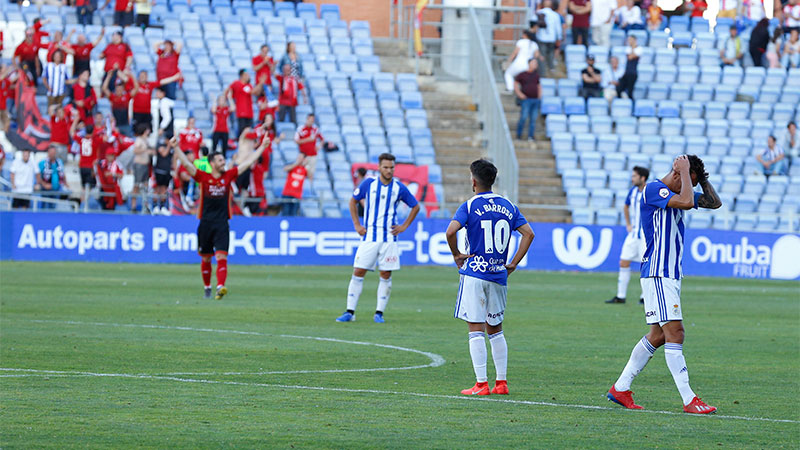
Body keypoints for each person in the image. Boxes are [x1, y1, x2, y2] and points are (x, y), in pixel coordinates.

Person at [607, 155, 722, 415]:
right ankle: (689, 399)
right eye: (689, 182)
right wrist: (683, 172)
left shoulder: (681, 192)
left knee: (658, 335)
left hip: (668, 274)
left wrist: (700, 178)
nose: (690, 189)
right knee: (676, 333)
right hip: (659, 272)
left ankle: (621, 388)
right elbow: (686, 200)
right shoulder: (654, 189)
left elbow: (714, 203)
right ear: (678, 174)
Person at [444, 159, 535, 396]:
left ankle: (481, 384)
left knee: (475, 328)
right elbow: (528, 234)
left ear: (474, 181)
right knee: (496, 328)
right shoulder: (509, 206)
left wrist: (456, 254)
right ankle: (501, 383)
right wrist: (513, 262)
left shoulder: (470, 205)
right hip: (498, 274)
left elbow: (450, 231)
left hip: (475, 273)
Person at [172, 136, 272, 300]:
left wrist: (262, 147)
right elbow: (188, 166)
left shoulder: (228, 176)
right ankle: (207, 287)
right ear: (212, 163)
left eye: (223, 159)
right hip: (205, 223)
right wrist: (176, 148)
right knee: (206, 258)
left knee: (221, 256)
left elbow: (246, 164)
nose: (223, 162)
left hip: (222, 223)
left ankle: (220, 287)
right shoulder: (203, 177)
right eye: (220, 160)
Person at [335, 153, 421, 324]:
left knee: (385, 274)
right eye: (386, 167)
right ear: (379, 167)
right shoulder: (369, 184)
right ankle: (350, 312)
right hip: (370, 236)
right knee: (358, 271)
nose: (389, 170)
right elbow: (353, 201)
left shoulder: (399, 188)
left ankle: (379, 313)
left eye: (391, 167)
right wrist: (357, 225)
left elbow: (415, 206)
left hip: (389, 238)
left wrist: (404, 227)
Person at [605, 167, 649, 304]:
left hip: (646, 236)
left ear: (642, 178)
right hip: (633, 234)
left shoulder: (650, 192)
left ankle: (645, 297)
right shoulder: (633, 191)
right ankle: (621, 296)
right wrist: (628, 224)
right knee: (623, 262)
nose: (632, 178)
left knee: (646, 265)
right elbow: (625, 206)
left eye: (635, 176)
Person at [227, 69, 262, 138]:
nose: (248, 76)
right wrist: (231, 101)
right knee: (242, 132)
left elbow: (256, 93)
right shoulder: (236, 83)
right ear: (242, 76)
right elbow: (228, 91)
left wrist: (261, 85)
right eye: (246, 75)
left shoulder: (249, 85)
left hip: (249, 112)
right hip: (241, 112)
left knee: (250, 131)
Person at [514, 58, 542, 141]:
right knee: (523, 117)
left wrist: (539, 96)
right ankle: (519, 135)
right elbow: (515, 84)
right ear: (529, 63)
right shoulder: (522, 74)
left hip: (535, 100)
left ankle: (530, 136)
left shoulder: (536, 75)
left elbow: (538, 85)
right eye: (533, 63)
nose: (535, 65)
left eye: (536, 63)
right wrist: (519, 94)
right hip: (526, 100)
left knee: (533, 119)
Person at [36, 144, 69, 208]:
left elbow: (62, 173)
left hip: (56, 189)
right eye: (51, 152)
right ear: (48, 153)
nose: (52, 154)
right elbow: (38, 175)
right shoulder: (42, 163)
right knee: (45, 206)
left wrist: (66, 183)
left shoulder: (59, 162)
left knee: (54, 207)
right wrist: (44, 184)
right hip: (46, 190)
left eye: (54, 152)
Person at [536, 0, 562, 77]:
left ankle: (544, 73)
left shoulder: (539, 12)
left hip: (542, 38)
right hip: (550, 38)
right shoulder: (555, 15)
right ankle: (550, 70)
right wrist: (559, 38)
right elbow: (558, 29)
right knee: (549, 55)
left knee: (542, 56)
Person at [102, 69, 133, 136]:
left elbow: (136, 88)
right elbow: (104, 88)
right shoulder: (113, 97)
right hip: (116, 125)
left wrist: (131, 76)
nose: (119, 90)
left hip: (125, 125)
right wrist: (108, 77)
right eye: (117, 89)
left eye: (120, 89)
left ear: (123, 89)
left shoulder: (126, 97)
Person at [294, 113, 324, 180]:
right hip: (303, 155)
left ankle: (310, 188)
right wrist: (307, 140)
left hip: (313, 155)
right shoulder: (300, 129)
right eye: (310, 120)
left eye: (312, 120)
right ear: (307, 119)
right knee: (301, 173)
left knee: (311, 174)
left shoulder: (315, 129)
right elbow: (296, 141)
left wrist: (319, 147)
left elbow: (322, 139)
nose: (311, 122)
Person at [71, 118, 97, 190]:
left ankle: (83, 200)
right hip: (90, 167)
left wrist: (75, 120)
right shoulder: (95, 141)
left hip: (82, 166)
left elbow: (72, 132)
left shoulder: (81, 140)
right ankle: (87, 201)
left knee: (83, 188)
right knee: (90, 188)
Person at [131, 123, 152, 212]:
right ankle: (133, 205)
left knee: (145, 185)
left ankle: (145, 204)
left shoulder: (146, 140)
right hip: (139, 164)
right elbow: (135, 150)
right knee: (137, 184)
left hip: (145, 165)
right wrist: (145, 150)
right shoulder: (139, 140)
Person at [152, 140, 174, 215]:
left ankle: (163, 206)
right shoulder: (160, 144)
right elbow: (164, 153)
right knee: (157, 188)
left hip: (167, 171)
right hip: (159, 170)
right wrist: (169, 145)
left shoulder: (172, 147)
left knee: (164, 189)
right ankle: (155, 207)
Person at [617, 35, 641, 99]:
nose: (629, 41)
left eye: (630, 40)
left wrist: (633, 46)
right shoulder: (627, 48)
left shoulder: (639, 49)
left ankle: (631, 105)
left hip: (633, 73)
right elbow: (630, 57)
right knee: (619, 89)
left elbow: (631, 57)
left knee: (630, 91)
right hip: (626, 72)